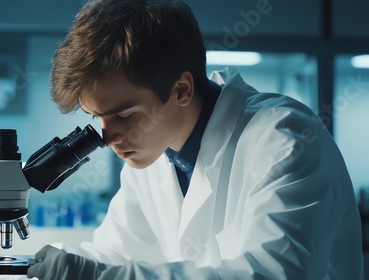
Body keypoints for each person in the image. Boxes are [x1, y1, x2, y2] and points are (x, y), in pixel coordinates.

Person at [27, 0, 364, 279]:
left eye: (127, 115)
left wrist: (93, 277)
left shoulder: (284, 141)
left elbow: (272, 274)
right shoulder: (152, 159)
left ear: (182, 89)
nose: (108, 138)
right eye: (96, 117)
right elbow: (114, 255)